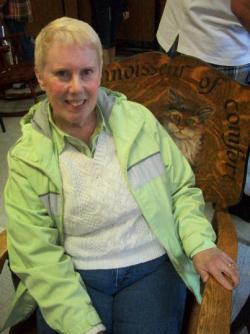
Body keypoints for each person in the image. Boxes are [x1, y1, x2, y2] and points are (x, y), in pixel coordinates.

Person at [2, 17, 239, 334]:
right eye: (62, 74)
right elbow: (36, 252)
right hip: (74, 271)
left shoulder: (138, 121)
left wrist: (200, 243)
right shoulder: (27, 157)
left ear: (100, 71)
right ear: (40, 77)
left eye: (87, 72)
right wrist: (84, 326)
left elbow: (181, 190)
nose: (77, 88)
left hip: (150, 265)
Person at [157, 0, 250, 223]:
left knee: (182, 138)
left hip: (179, 31)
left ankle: (182, 202)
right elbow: (243, 7)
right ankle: (206, 207)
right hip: (217, 42)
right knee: (222, 138)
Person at [91, 0, 129, 65]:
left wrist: (125, 7)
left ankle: (112, 69)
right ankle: (107, 71)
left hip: (117, 4)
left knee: (113, 39)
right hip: (101, 4)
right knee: (105, 40)